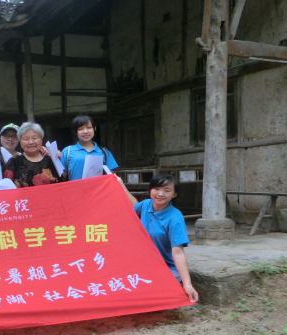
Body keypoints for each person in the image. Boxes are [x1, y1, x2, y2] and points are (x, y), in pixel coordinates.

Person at [118, 174, 199, 303]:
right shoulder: (146, 205)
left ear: (174, 194)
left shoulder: (175, 218)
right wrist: (120, 184)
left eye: (167, 190)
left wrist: (187, 284)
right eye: (156, 189)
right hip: (142, 263)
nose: (160, 194)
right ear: (150, 190)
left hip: (166, 267)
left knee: (150, 288)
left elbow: (178, 253)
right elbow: (134, 206)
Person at [61, 115, 118, 181]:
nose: (85, 131)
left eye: (89, 127)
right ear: (74, 132)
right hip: (75, 187)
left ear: (94, 128)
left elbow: (111, 177)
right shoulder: (67, 151)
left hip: (97, 188)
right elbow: (61, 177)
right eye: (80, 129)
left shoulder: (104, 152)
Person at [3, 122, 59, 187]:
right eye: (26, 139)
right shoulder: (13, 162)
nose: (31, 142)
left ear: (41, 140)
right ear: (20, 143)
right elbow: (6, 187)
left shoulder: (52, 159)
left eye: (34, 138)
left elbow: (62, 181)